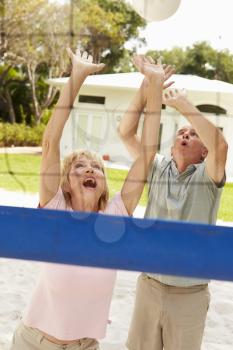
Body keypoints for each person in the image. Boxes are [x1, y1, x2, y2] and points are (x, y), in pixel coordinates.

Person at [10, 49, 167, 350]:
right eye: (79, 167)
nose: (89, 169)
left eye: (96, 167)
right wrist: (77, 75)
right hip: (35, 342)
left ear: (104, 183)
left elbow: (148, 152)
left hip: (86, 346)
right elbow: (50, 141)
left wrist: (155, 84)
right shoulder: (55, 208)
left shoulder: (117, 213)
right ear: (66, 184)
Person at [118, 84, 228, 350]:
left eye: (193, 134)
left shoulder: (207, 176)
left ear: (204, 154)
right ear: (171, 147)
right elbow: (125, 133)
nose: (186, 134)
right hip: (149, 286)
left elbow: (221, 146)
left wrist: (183, 104)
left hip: (189, 294)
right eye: (181, 132)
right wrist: (148, 85)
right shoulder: (156, 166)